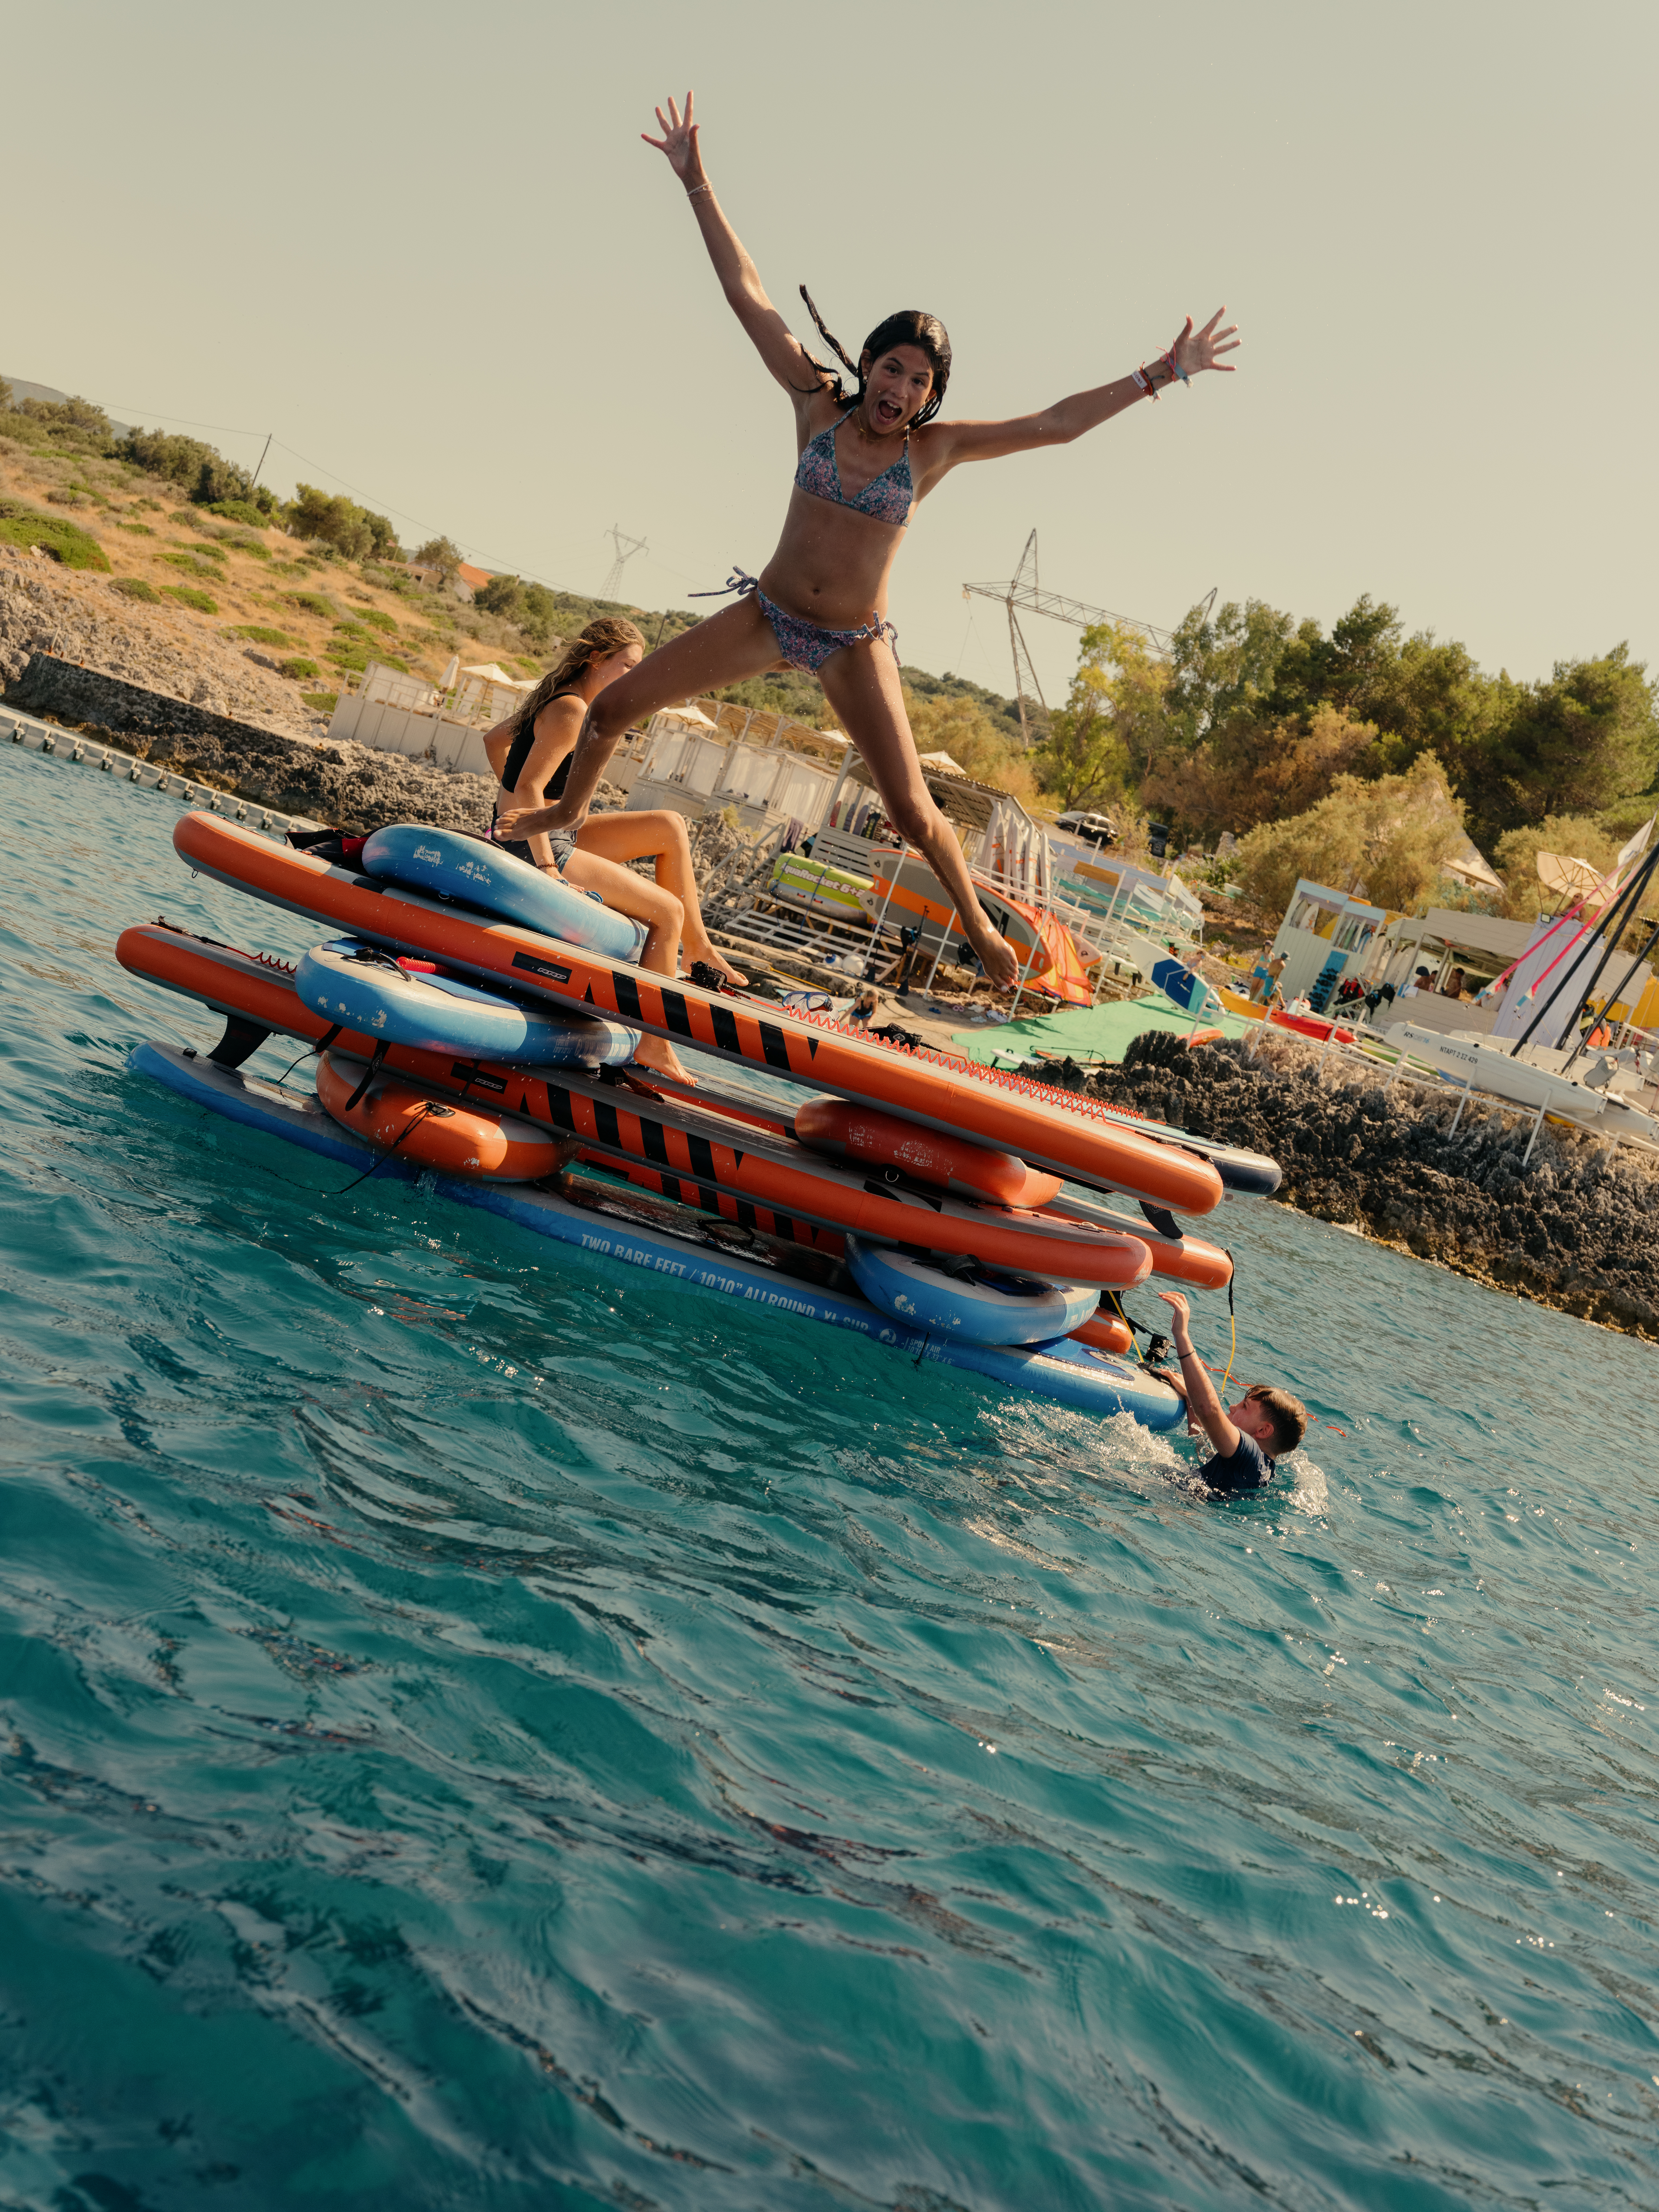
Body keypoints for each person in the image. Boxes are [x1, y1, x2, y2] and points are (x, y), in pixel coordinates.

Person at [499, 89, 1239, 994]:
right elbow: (749, 297)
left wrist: (1164, 371)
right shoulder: (816, 405)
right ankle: (553, 816)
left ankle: (988, 938)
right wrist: (697, 182)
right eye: (891, 367)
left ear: (929, 398)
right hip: (766, 616)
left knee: (912, 809)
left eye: (918, 382)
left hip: (854, 643)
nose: (899, 388)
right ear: (868, 365)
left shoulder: (934, 452)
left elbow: (1056, 424)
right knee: (614, 712)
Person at [484, 617, 740, 1081]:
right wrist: (545, 862)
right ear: (596, 660)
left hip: (547, 831)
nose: (634, 675)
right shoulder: (572, 712)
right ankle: (654, 1046)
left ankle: (698, 948)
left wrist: (511, 806)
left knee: (669, 825)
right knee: (666, 913)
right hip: (540, 846)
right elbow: (529, 784)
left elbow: (495, 741)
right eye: (627, 665)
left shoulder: (563, 701)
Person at [1152, 1291, 1307, 1496]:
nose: (1233, 1406)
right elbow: (1203, 1449)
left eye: (1245, 1407)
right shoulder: (1259, 1468)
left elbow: (1210, 1410)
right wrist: (1190, 1398)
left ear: (1263, 1431)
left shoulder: (1252, 1456)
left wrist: (1181, 1335)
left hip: (1165, 1496)